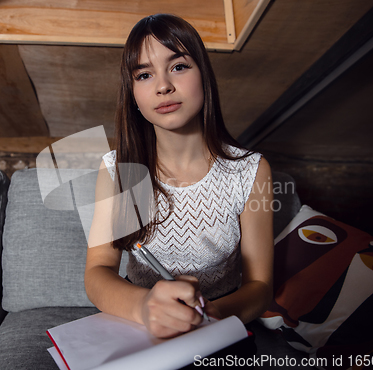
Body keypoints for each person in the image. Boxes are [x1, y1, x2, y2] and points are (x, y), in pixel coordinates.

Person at [84, 13, 273, 340]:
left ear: (204, 75)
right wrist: (145, 307)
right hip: (136, 320)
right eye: (144, 74)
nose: (163, 86)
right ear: (133, 95)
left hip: (215, 323)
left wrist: (212, 313)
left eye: (179, 66)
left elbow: (260, 287)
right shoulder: (117, 169)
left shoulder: (251, 170)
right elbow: (97, 272)